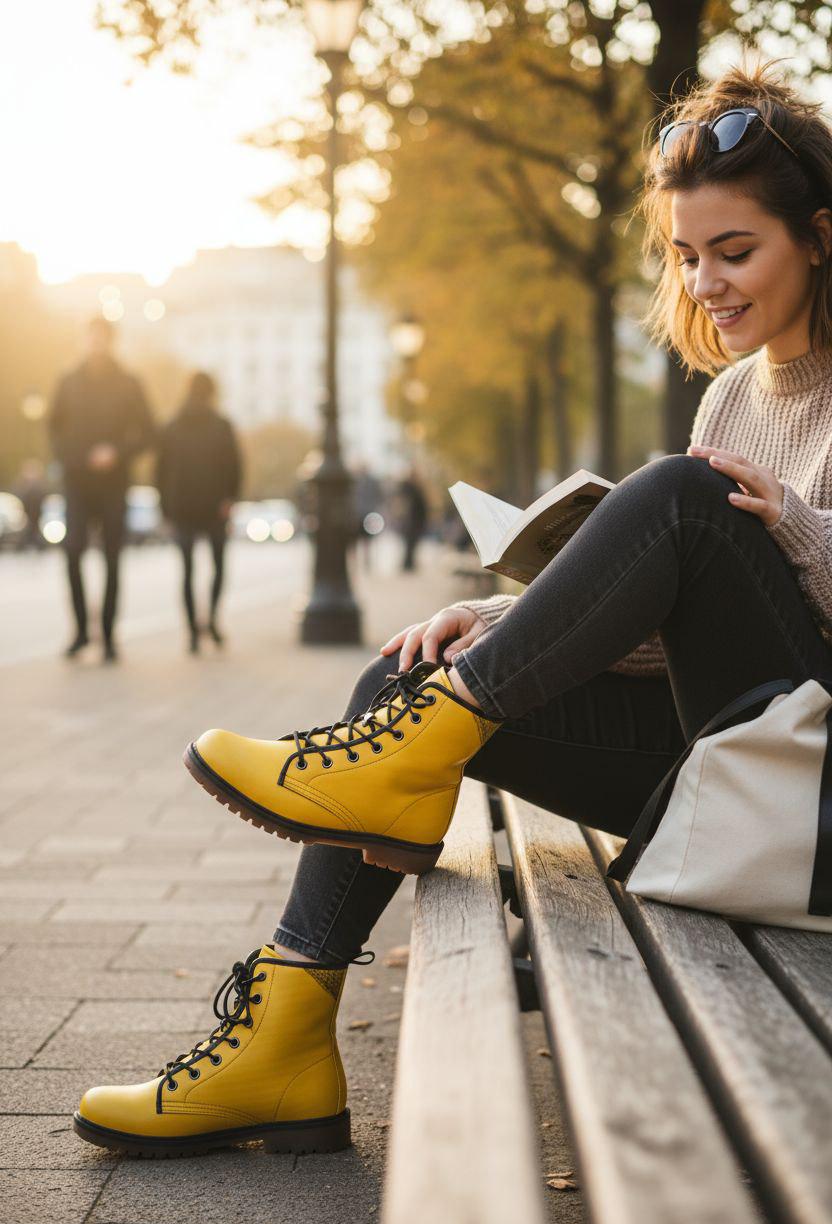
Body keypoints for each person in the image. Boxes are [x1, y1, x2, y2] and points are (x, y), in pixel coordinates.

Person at [75, 62, 832, 1157]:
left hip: (806, 807)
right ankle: (280, 1044)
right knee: (406, 679)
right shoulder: (732, 391)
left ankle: (406, 758)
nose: (706, 283)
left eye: (734, 252)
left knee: (680, 498)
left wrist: (797, 529)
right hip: (725, 767)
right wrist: (502, 624)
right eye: (685, 256)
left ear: (816, 235)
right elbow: (691, 635)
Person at [49, 316, 154, 662]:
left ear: (110, 341)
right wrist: (75, 457)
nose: (96, 344)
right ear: (85, 339)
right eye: (91, 337)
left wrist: (117, 453)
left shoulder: (128, 382)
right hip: (78, 481)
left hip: (113, 483)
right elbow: (53, 429)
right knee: (73, 550)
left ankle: (108, 635)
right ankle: (80, 630)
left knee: (112, 556)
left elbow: (149, 432)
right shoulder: (68, 381)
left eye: (102, 338)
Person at [157, 372, 242, 653]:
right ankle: (212, 621)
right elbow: (235, 465)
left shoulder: (172, 426)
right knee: (218, 567)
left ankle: (193, 631)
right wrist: (230, 498)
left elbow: (160, 470)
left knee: (187, 571)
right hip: (215, 506)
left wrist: (165, 509)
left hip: (182, 507)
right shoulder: (222, 425)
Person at [394, 467, 429, 571]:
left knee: (411, 544)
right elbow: (404, 505)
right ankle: (407, 564)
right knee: (409, 543)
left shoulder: (413, 488)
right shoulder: (408, 488)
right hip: (411, 521)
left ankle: (408, 563)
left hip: (415, 520)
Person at [12, 459, 47, 551]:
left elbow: (43, 497)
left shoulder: (39, 485)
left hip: (36, 512)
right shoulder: (23, 485)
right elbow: (20, 497)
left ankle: (37, 546)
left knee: (33, 530)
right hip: (28, 512)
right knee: (29, 530)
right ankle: (23, 546)